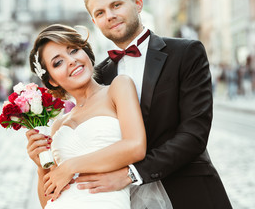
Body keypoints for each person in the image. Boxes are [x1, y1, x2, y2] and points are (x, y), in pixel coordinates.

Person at [72, 0, 232, 209]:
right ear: (95, 22)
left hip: (188, 190)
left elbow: (194, 134)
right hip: (125, 199)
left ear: (138, 4)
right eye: (100, 12)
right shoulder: (99, 75)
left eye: (116, 5)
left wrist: (131, 174)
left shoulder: (187, 52)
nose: (110, 16)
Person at [26, 24, 173, 208]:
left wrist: (71, 166)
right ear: (52, 80)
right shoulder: (58, 125)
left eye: (74, 50)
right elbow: (49, 200)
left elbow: (135, 147)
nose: (71, 61)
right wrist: (42, 167)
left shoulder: (118, 88)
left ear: (86, 52)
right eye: (58, 62)